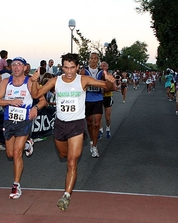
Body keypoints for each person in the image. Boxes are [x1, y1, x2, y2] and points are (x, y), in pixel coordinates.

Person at [31, 53, 116, 211]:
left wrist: (110, 82)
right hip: (60, 124)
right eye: (66, 67)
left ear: (77, 67)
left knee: (72, 161)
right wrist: (34, 80)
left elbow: (109, 88)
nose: (69, 71)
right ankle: (68, 187)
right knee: (64, 156)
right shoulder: (55, 81)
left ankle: (66, 196)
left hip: (77, 124)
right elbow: (36, 94)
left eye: (72, 67)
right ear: (61, 67)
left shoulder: (83, 80)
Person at [0, 57, 42, 199]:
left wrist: (35, 108)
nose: (16, 67)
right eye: (13, 65)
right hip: (9, 120)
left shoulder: (30, 82)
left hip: (24, 120)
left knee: (16, 153)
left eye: (19, 65)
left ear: (25, 67)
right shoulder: (5, 82)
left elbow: (42, 99)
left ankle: (16, 186)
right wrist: (11, 101)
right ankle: (28, 145)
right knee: (9, 154)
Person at [80, 52, 106, 158]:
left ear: (98, 60)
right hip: (87, 99)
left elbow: (105, 83)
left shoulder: (101, 72)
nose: (93, 60)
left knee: (96, 123)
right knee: (90, 123)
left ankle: (95, 146)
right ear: (89, 59)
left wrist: (105, 87)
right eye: (92, 58)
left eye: (96, 58)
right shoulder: (84, 71)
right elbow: (79, 83)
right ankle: (92, 140)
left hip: (98, 98)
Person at [98, 61, 114, 139]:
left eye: (104, 66)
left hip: (107, 96)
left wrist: (106, 89)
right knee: (99, 115)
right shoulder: (97, 76)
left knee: (107, 117)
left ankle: (108, 129)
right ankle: (100, 130)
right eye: (101, 66)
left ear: (107, 67)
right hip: (99, 97)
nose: (102, 67)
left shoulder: (110, 76)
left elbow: (114, 87)